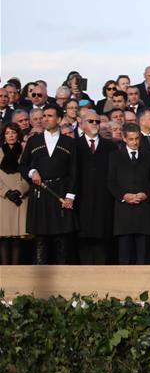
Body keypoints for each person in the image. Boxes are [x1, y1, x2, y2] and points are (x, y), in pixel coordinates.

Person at [19, 106, 78, 264]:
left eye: (49, 116)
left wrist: (70, 196)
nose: (45, 118)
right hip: (40, 193)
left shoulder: (69, 142)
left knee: (62, 239)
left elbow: (74, 172)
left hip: (61, 193)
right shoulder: (34, 140)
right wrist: (32, 172)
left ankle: (63, 279)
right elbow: (23, 165)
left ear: (59, 119)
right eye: (44, 115)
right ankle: (38, 280)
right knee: (41, 238)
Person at [107, 123, 150, 265]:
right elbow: (111, 182)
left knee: (143, 255)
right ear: (124, 138)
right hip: (123, 213)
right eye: (131, 139)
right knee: (124, 254)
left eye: (137, 138)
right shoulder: (115, 157)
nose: (135, 142)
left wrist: (145, 194)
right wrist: (124, 196)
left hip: (144, 211)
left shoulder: (149, 156)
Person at [74, 110, 117, 265]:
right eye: (91, 121)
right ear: (82, 124)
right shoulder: (74, 146)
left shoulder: (110, 147)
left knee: (102, 239)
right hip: (81, 200)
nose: (95, 124)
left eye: (97, 122)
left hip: (103, 200)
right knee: (83, 240)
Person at [0, 122, 29, 264]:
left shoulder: (25, 151)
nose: (10, 135)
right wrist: (6, 192)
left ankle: (16, 269)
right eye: (7, 133)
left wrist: (19, 190)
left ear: (18, 134)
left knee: (17, 238)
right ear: (3, 136)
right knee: (4, 237)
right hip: (3, 199)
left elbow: (29, 173)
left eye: (13, 132)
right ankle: (5, 270)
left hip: (20, 198)